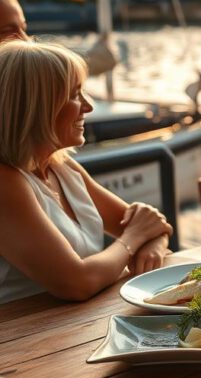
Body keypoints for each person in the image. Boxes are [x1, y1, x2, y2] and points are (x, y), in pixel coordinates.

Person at [0, 41, 172, 303]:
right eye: (74, 95)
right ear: (35, 106)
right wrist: (134, 240)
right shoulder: (6, 182)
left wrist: (151, 241)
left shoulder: (62, 167)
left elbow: (154, 226)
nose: (88, 106)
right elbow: (77, 282)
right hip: (22, 337)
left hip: (75, 325)